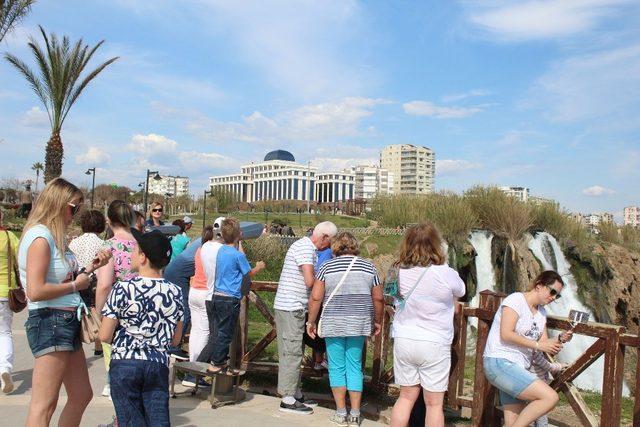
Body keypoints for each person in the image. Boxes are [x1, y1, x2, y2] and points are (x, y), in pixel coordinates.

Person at [18, 177, 111, 426]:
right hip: (51, 320)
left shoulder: (52, 236)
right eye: (74, 208)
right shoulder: (40, 237)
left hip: (65, 319)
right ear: (58, 204)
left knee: (81, 394)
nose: (76, 214)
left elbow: (62, 276)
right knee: (44, 404)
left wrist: (90, 269)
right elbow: (35, 290)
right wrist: (75, 285)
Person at [99, 229, 183, 427]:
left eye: (135, 250)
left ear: (143, 257)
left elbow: (104, 335)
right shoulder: (176, 292)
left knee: (130, 420)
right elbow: (176, 340)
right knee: (157, 420)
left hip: (125, 363)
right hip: (157, 365)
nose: (130, 254)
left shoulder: (123, 288)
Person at [389, 222, 466, 427]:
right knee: (434, 405)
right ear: (436, 244)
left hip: (404, 339)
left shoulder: (398, 270)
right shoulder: (445, 272)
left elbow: (391, 294)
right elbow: (461, 291)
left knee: (405, 398)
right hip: (434, 342)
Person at [307, 232, 384, 426]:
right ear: (355, 246)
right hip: (358, 323)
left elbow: (316, 297)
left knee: (337, 367)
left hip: (333, 323)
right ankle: (356, 413)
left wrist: (311, 321)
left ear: (335, 247)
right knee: (354, 366)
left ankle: (341, 412)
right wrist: (377, 320)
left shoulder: (326, 267)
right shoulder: (369, 267)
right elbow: (378, 298)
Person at [483, 270, 572, 427]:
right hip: (500, 362)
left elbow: (544, 342)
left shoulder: (541, 313)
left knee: (513, 422)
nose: (553, 298)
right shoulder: (515, 300)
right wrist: (539, 345)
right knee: (550, 397)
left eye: (557, 296)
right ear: (539, 285)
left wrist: (559, 339)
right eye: (552, 292)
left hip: (517, 369)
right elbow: (506, 334)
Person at [273, 221, 337, 414]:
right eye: (331, 241)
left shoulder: (304, 247)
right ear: (324, 237)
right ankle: (288, 398)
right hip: (291, 307)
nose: (330, 246)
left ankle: (295, 392)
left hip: (294, 306)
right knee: (292, 352)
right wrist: (328, 280)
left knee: (295, 351)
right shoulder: (305, 249)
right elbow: (310, 281)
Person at [202, 218, 265, 373]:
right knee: (226, 332)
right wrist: (259, 267)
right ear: (239, 235)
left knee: (217, 332)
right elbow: (248, 273)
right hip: (230, 298)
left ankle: (219, 360)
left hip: (215, 295)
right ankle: (217, 362)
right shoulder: (238, 256)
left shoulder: (220, 250)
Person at [96, 200, 137, 399]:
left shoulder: (108, 247)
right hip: (142, 306)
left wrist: (99, 313)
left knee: (114, 354)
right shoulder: (142, 244)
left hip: (118, 308)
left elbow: (104, 284)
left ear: (109, 220)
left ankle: (113, 386)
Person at [181, 225, 217, 388]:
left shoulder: (199, 249)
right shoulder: (212, 251)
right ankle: (195, 373)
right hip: (204, 292)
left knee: (195, 330)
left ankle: (192, 364)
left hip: (194, 290)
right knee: (204, 332)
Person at [69, 209, 106, 356]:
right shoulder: (102, 243)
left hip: (78, 279)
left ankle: (77, 339)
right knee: (97, 311)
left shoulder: (74, 243)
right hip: (95, 280)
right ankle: (98, 344)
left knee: (78, 311)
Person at [0, 209, 19, 394]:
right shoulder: (8, 236)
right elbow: (21, 257)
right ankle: (4, 368)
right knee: (4, 332)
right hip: (5, 292)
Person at [527, 350, 565, 427]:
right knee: (541, 413)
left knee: (532, 412)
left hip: (532, 387)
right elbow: (548, 367)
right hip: (537, 387)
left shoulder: (532, 351)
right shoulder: (534, 353)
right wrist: (561, 366)